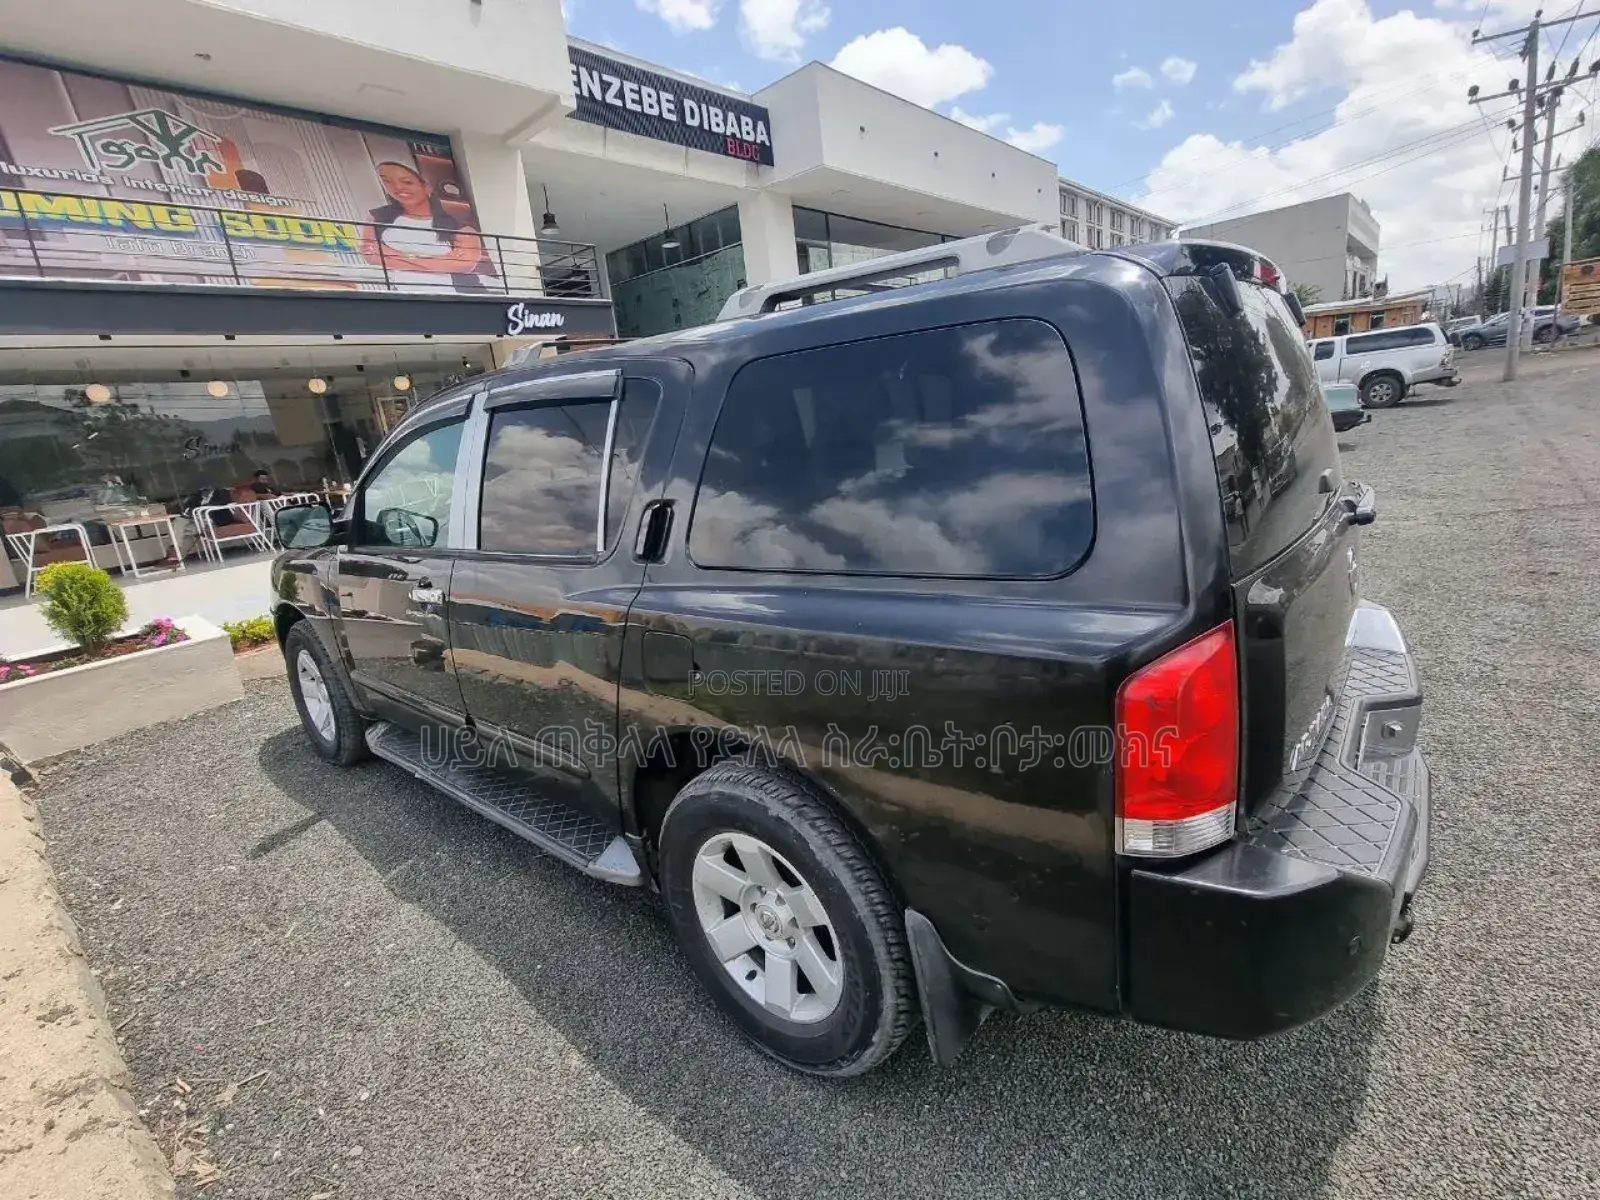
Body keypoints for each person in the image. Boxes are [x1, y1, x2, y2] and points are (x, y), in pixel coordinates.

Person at [359, 161, 487, 292]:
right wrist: (441, 262)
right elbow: (372, 257)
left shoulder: (460, 226)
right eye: (387, 182)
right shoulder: (377, 217)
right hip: (405, 295)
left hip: (456, 296)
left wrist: (392, 254)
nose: (397, 187)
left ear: (427, 187)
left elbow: (464, 265)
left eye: (407, 182)